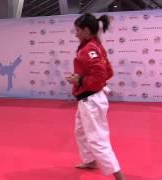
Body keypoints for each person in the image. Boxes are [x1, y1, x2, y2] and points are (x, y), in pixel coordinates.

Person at [66, 13, 125, 180]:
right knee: (81, 131)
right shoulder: (95, 45)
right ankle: (90, 160)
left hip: (91, 99)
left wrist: (81, 79)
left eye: (77, 30)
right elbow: (108, 72)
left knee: (97, 139)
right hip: (90, 97)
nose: (75, 34)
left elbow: (101, 75)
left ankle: (119, 175)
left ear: (86, 30)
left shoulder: (89, 49)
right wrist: (82, 79)